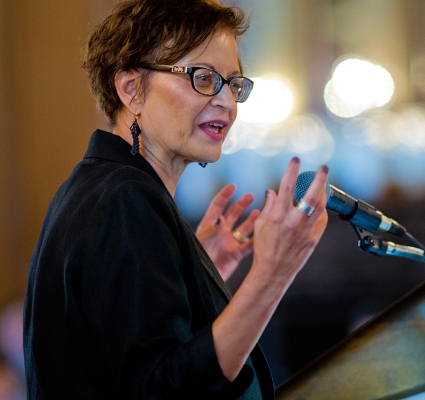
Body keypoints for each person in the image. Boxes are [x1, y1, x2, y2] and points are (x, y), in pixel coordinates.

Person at [23, 0, 329, 399]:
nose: (227, 102)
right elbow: (165, 391)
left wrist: (192, 279)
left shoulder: (99, 188)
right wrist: (272, 275)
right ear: (132, 89)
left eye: (234, 84)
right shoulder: (124, 200)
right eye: (203, 78)